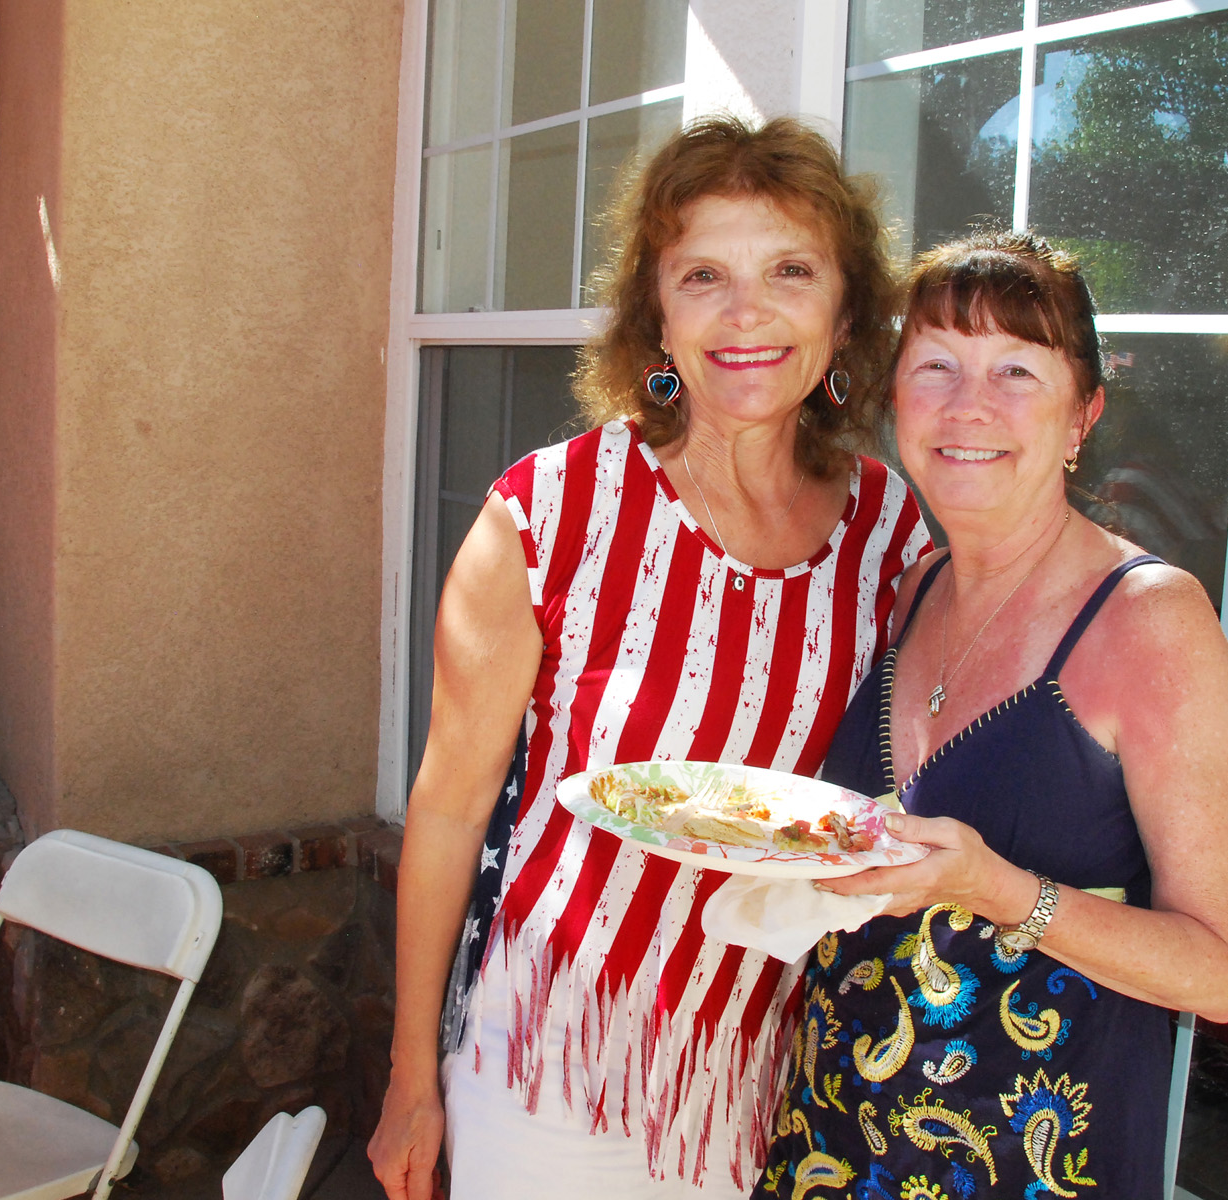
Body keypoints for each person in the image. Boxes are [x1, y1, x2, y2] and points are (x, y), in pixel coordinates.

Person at [368, 116, 929, 1200]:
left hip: (758, 1073)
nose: (746, 312)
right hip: (550, 1065)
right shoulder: (547, 513)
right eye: (703, 276)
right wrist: (409, 1078)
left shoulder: (889, 532)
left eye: (791, 271)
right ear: (656, 315)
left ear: (846, 312)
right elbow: (446, 811)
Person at [754, 231, 1228, 1200]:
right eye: (936, 367)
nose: (969, 405)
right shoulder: (915, 589)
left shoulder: (1150, 619)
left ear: (1082, 416)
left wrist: (1000, 889)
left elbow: (1222, 973)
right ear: (897, 401)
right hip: (834, 1142)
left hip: (1028, 1168)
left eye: (1017, 371)